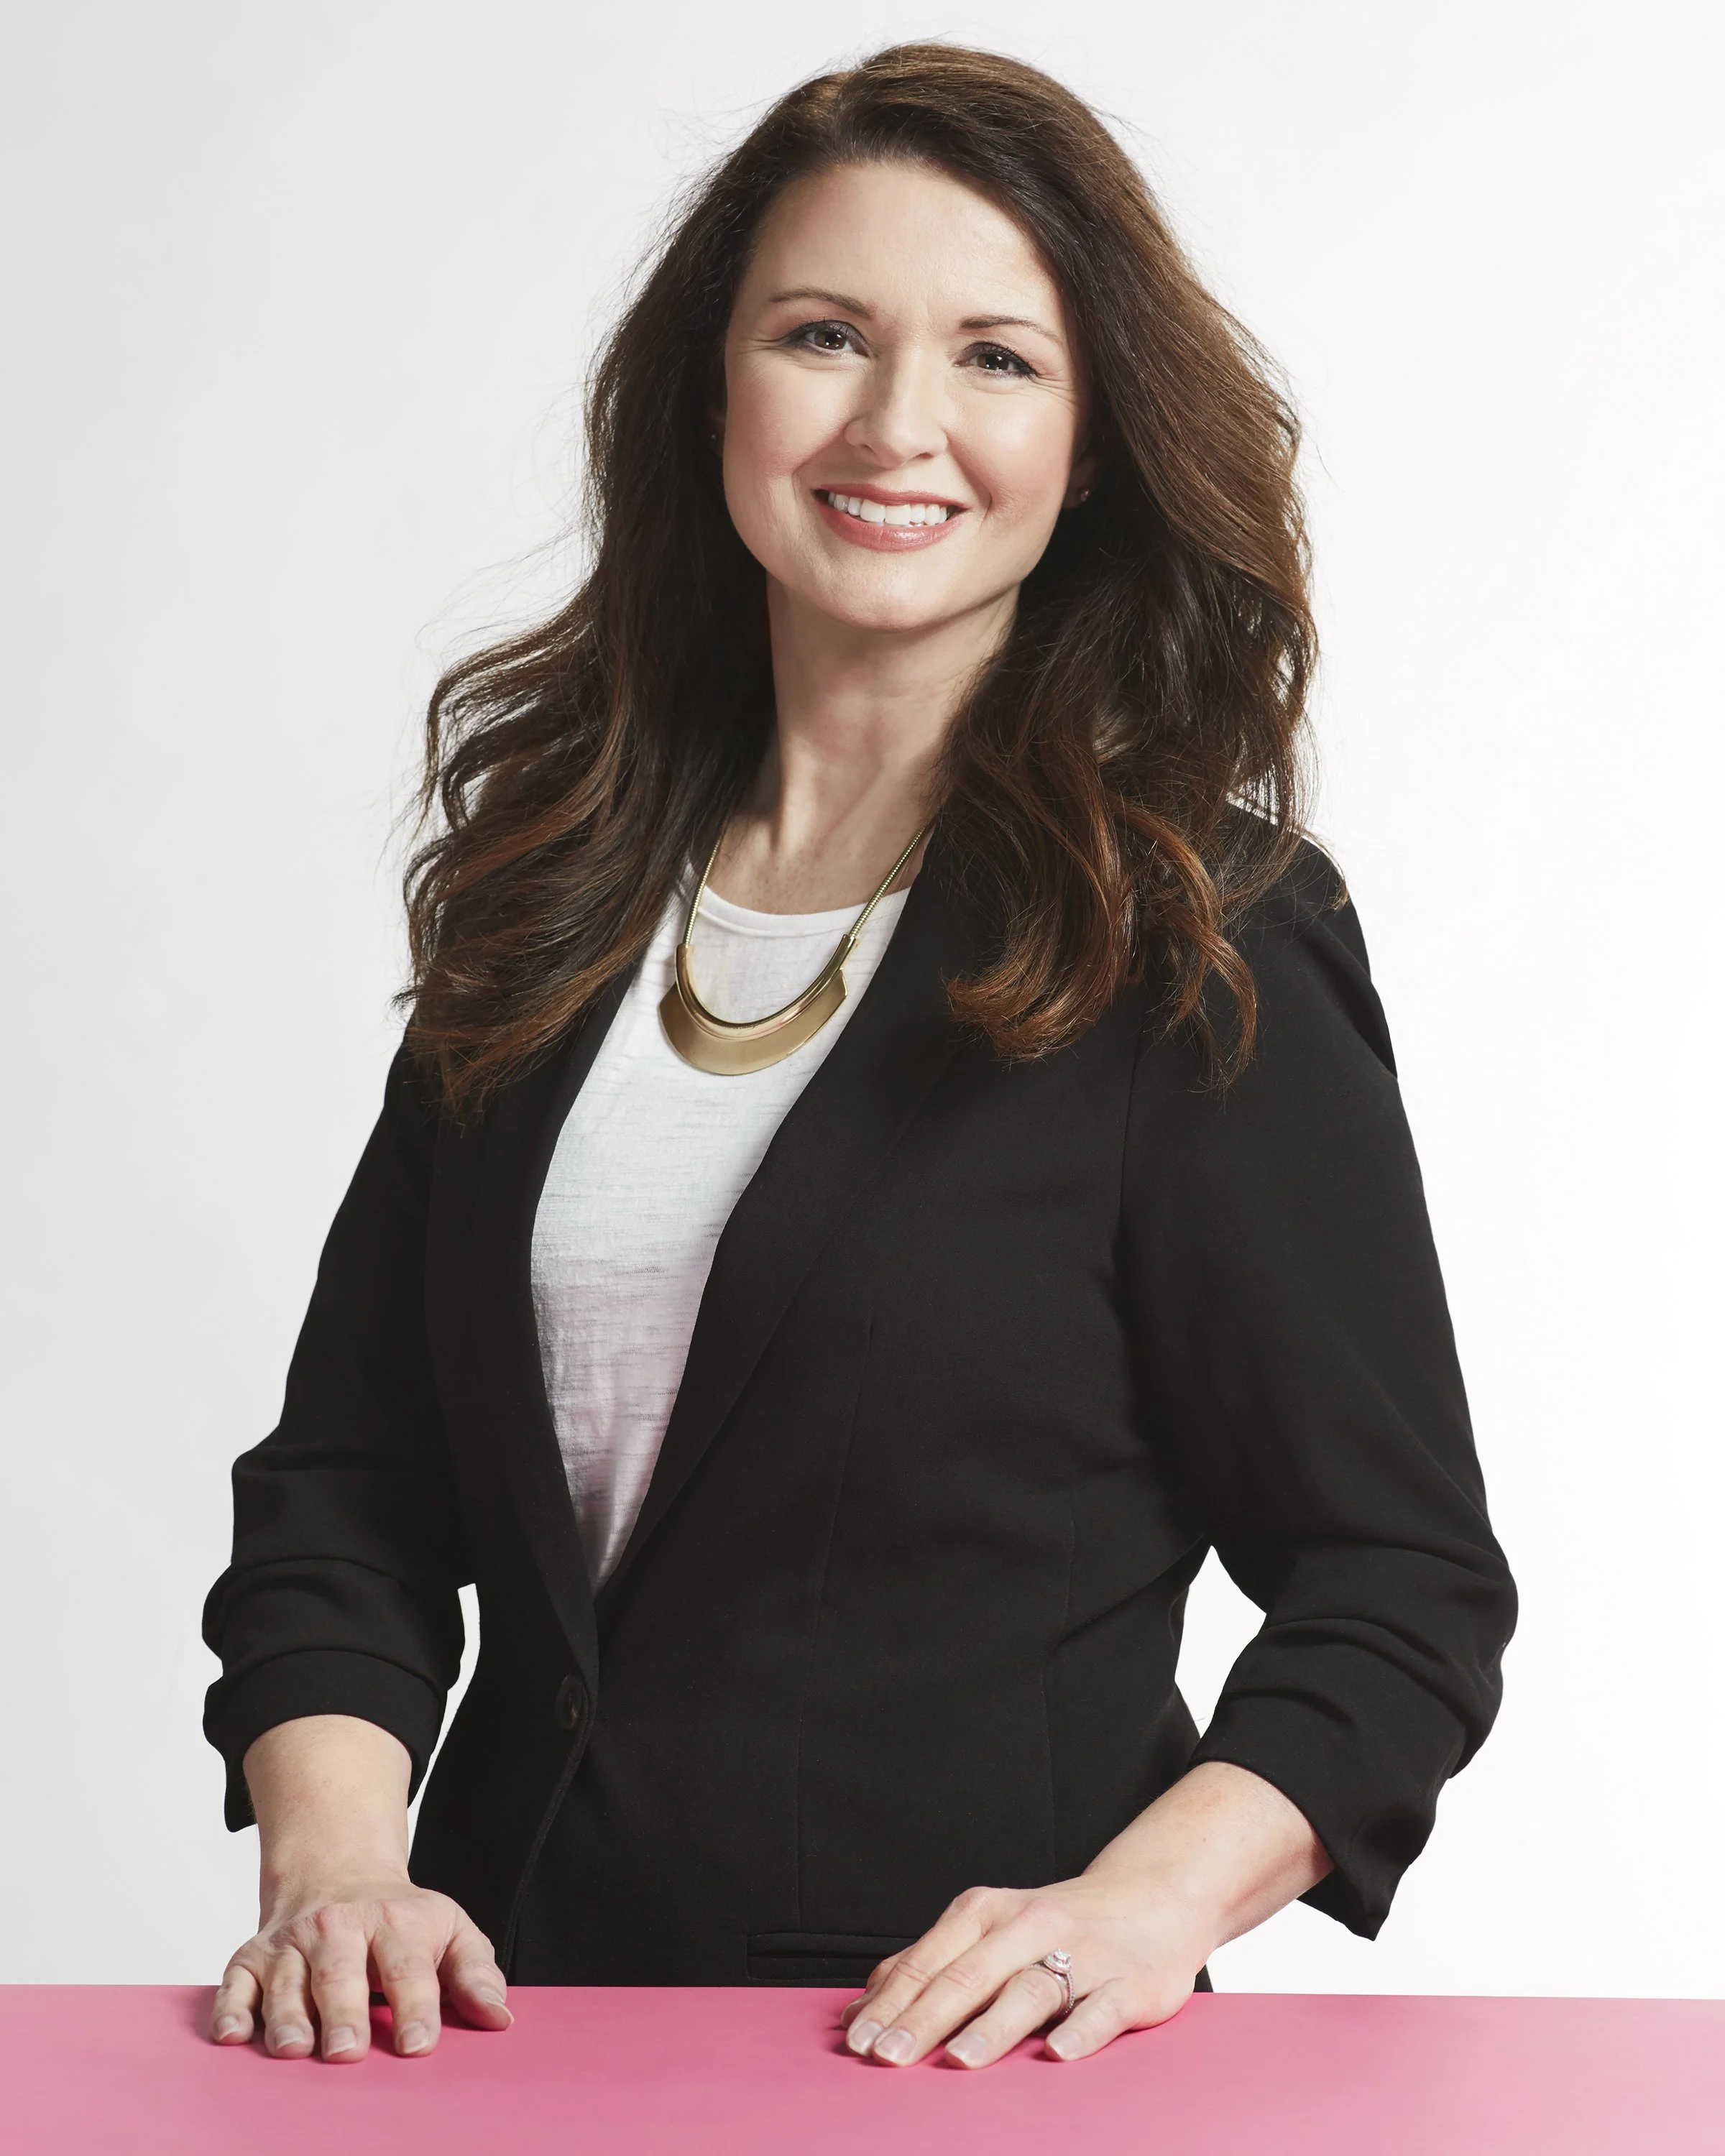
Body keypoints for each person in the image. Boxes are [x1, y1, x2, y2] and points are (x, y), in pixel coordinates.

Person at [202, 42, 1516, 2072]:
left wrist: (1144, 1909)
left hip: (941, 2072)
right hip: (478, 2045)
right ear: (711, 392)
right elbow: (352, 1487)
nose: (900, 423)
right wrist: (339, 1862)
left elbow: (1397, 1587)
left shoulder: (1198, 935)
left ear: (1092, 442)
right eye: (825, 334)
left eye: (998, 356)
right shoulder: (550, 887)